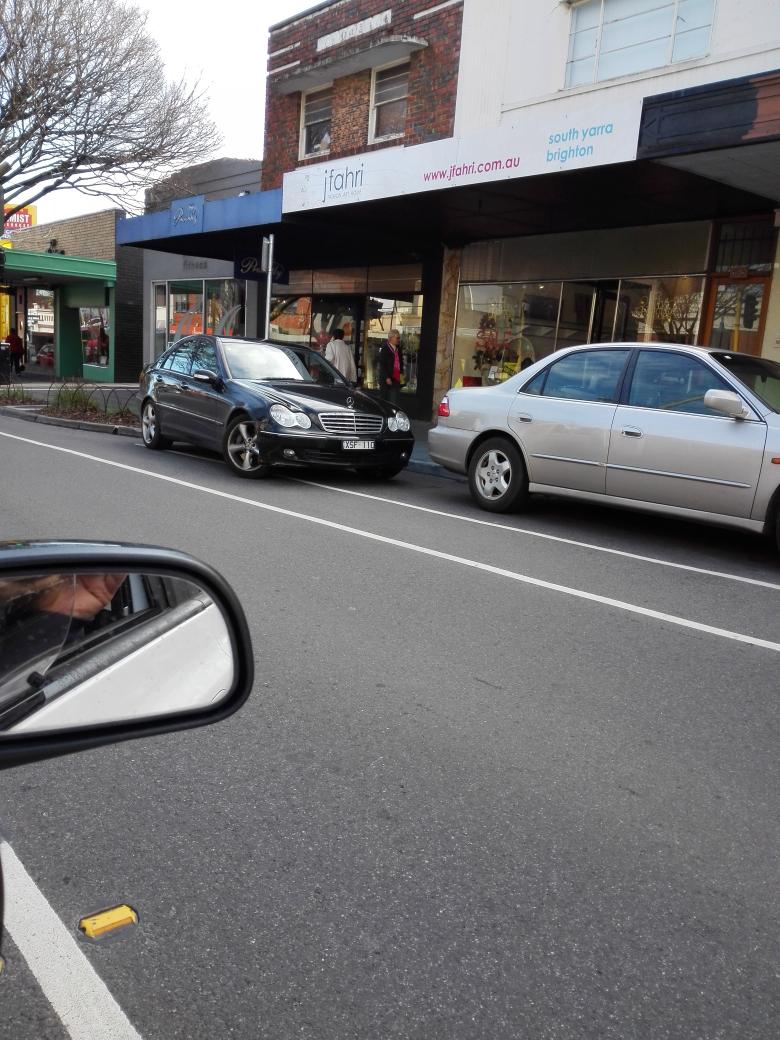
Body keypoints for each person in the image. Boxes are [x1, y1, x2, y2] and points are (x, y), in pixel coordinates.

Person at [376, 328, 404, 406]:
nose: (399, 340)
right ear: (391, 338)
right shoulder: (385, 348)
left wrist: (401, 376)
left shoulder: (398, 349)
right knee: (385, 400)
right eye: (397, 338)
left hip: (396, 378)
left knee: (395, 401)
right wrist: (387, 377)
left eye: (399, 338)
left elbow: (401, 363)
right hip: (386, 379)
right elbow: (382, 365)